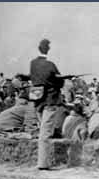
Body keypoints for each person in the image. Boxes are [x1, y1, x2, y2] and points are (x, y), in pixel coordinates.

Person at [30, 39, 66, 170]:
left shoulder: (32, 63)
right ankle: (43, 163)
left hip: (37, 100)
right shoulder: (51, 65)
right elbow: (60, 82)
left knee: (42, 129)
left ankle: (42, 160)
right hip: (50, 101)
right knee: (45, 132)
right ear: (48, 50)